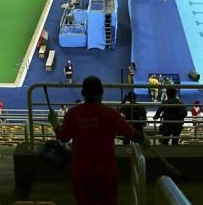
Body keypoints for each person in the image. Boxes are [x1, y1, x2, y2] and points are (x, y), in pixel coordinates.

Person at [49, 76, 147, 205]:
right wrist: (144, 139)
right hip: (106, 173)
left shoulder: (72, 114)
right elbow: (131, 133)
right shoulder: (111, 114)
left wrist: (55, 123)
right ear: (101, 93)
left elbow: (63, 137)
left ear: (83, 94)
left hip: (81, 172)